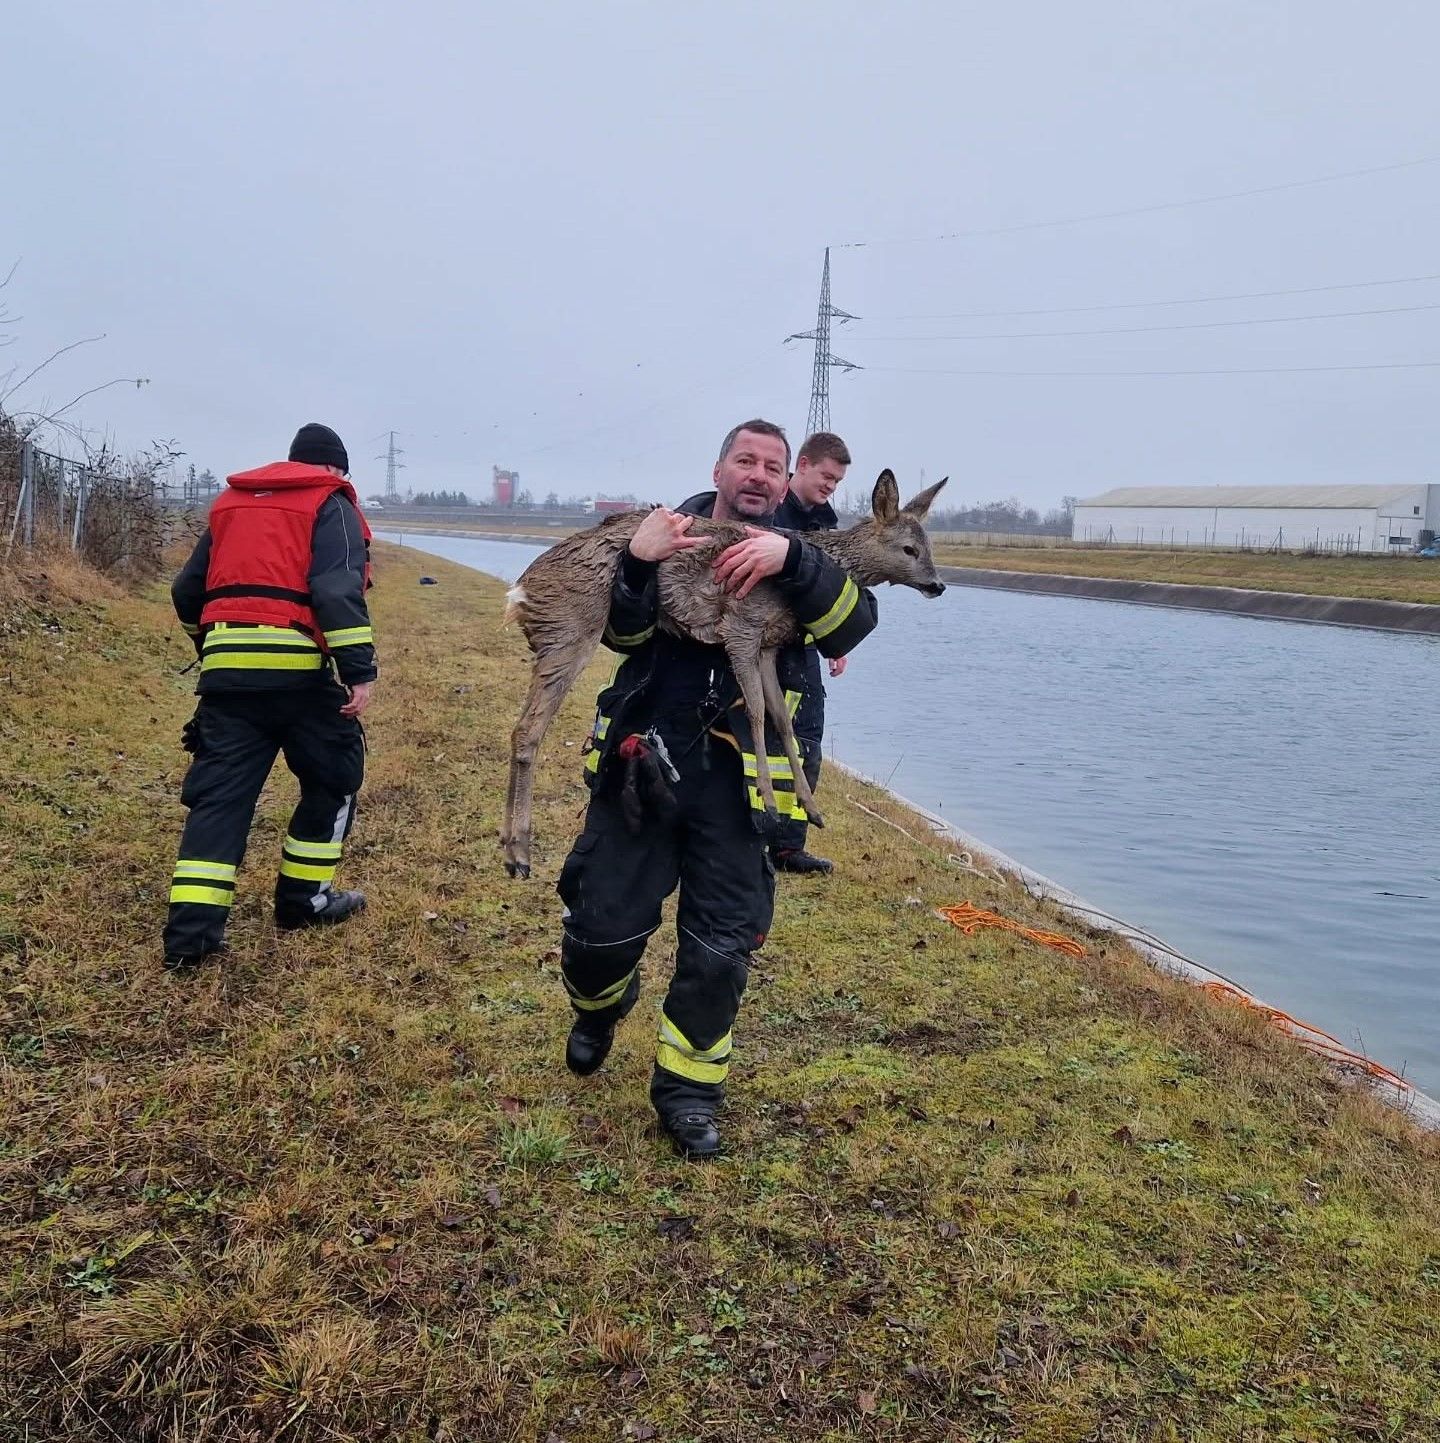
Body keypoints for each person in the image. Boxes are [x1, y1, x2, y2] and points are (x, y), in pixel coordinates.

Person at [555, 418, 879, 1158]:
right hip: (646, 767)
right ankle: (599, 1005)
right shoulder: (670, 531)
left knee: (721, 949)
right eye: (746, 460)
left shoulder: (810, 551)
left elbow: (851, 626)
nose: (760, 474)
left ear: (786, 474)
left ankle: (688, 1092)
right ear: (721, 469)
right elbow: (624, 636)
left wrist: (793, 559)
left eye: (773, 464)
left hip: (742, 789)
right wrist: (637, 566)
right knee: (599, 929)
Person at [163, 423, 377, 971]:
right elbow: (335, 589)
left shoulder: (231, 504)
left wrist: (210, 641)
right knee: (335, 778)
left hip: (226, 673)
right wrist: (359, 670)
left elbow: (187, 591)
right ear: (335, 470)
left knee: (220, 801)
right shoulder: (332, 504)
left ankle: (191, 939)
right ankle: (304, 902)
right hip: (298, 674)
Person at [770, 431, 852, 875]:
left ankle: (788, 846)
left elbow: (831, 589)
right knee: (760, 745)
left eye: (837, 481)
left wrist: (835, 643)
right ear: (801, 465)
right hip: (764, 648)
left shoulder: (828, 524)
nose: (830, 487)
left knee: (807, 746)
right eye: (826, 476)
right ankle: (756, 835)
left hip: (802, 654)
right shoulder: (769, 509)